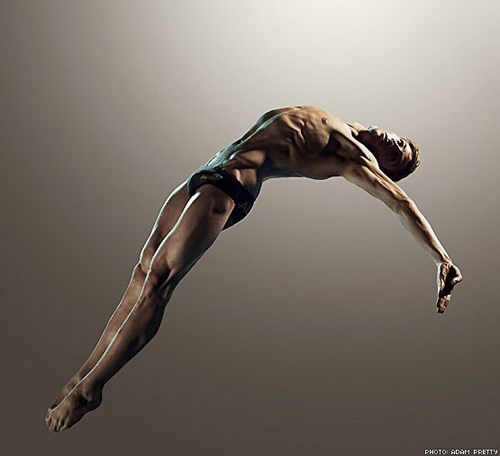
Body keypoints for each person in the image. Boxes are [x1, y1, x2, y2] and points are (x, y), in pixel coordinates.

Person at [45, 105, 462, 432]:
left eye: (397, 154)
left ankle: (90, 391)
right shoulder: (340, 120)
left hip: (230, 186)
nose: (394, 143)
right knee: (140, 276)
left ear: (383, 166)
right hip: (207, 173)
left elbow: (401, 203)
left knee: (159, 284)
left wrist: (441, 257)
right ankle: (83, 375)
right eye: (401, 141)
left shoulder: (352, 155)